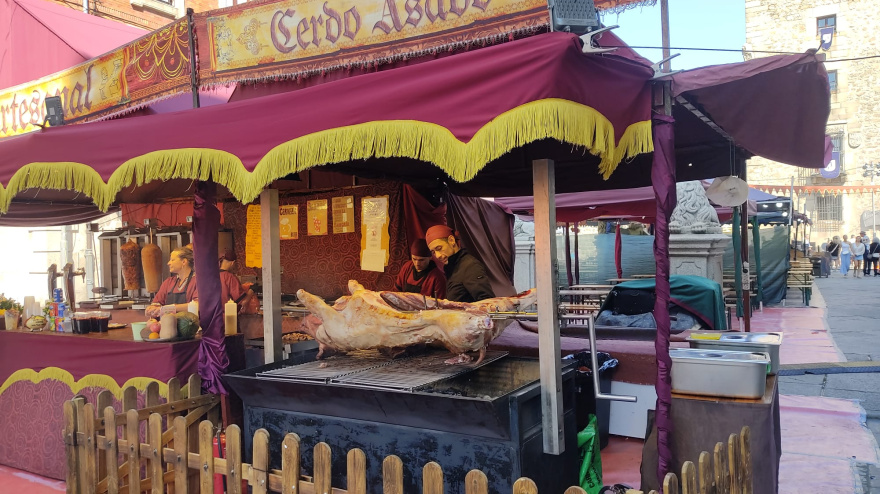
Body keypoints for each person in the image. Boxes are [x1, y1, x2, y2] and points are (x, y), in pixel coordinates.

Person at [425, 225, 495, 303]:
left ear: (451, 240)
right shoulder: (451, 266)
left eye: (439, 248)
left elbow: (487, 303)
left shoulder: (470, 266)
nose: (437, 256)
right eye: (433, 252)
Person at [146, 246, 198, 318]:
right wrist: (151, 309)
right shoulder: (168, 282)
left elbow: (197, 305)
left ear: (184, 262)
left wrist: (169, 308)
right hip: (168, 326)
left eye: (172, 260)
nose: (168, 263)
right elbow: (157, 303)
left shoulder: (197, 282)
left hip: (191, 327)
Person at [219, 249, 257, 313]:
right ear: (233, 263)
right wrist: (252, 290)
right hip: (228, 318)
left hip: (212, 318)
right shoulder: (230, 278)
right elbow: (242, 302)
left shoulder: (211, 276)